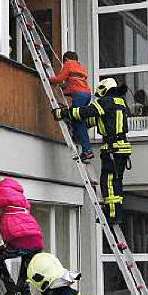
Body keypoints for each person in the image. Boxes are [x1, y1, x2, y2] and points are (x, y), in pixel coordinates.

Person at [53, 77, 132, 222]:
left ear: (105, 89)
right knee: (116, 182)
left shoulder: (106, 101)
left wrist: (64, 113)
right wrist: (79, 127)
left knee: (108, 182)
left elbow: (87, 112)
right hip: (121, 149)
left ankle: (112, 215)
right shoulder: (120, 102)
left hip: (112, 149)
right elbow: (99, 119)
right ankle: (116, 213)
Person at [49, 51, 94, 162]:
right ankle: (83, 146)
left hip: (79, 95)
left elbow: (60, 79)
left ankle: (87, 150)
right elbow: (76, 85)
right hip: (87, 95)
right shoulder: (80, 67)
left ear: (66, 59)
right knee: (79, 120)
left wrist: (50, 80)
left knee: (78, 122)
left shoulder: (68, 64)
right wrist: (64, 91)